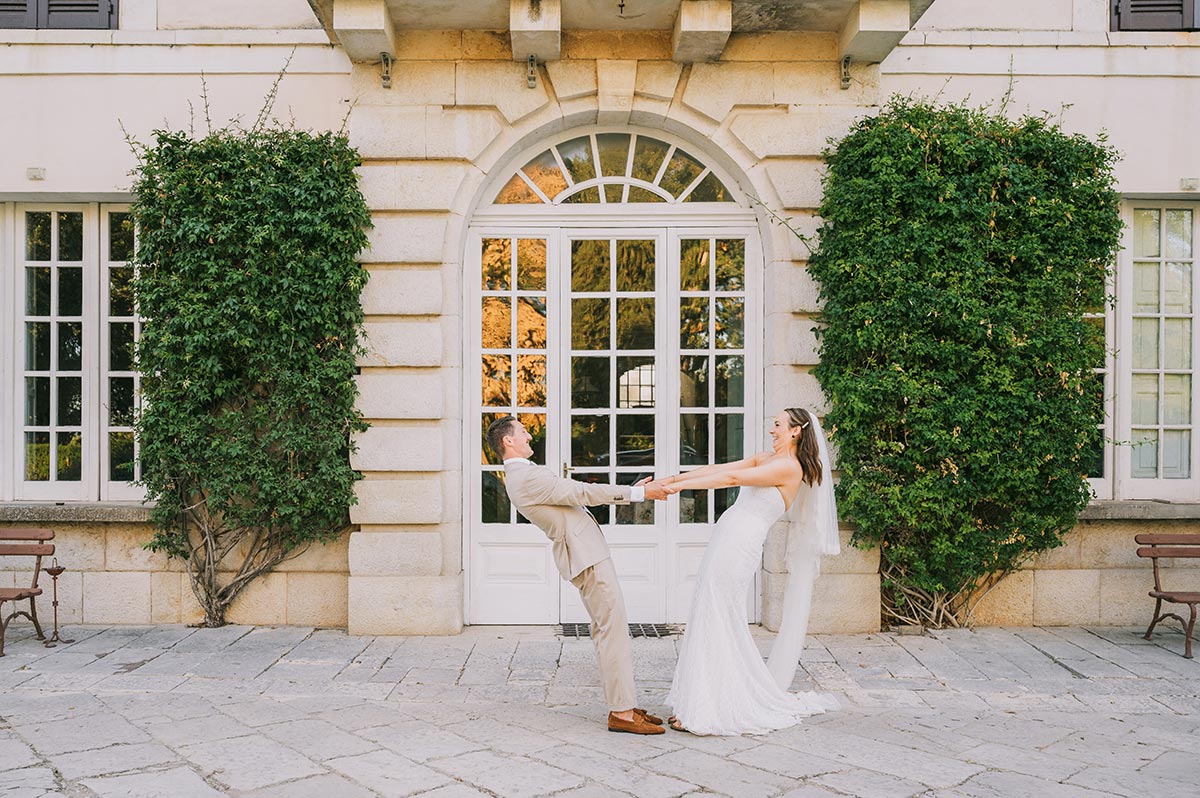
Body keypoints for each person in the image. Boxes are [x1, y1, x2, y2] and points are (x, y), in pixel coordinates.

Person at [651, 407, 841, 735]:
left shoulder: (788, 467)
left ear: (796, 431)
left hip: (741, 543)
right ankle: (697, 699)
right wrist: (672, 479)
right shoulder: (766, 458)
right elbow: (721, 468)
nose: (772, 429)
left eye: (778, 425)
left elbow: (732, 479)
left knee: (720, 614)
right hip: (728, 534)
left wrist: (679, 490)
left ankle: (713, 705)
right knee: (707, 610)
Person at [485, 415, 669, 735]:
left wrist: (632, 490)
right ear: (508, 441)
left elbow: (573, 499)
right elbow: (581, 492)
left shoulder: (524, 475)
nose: (529, 436)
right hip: (587, 558)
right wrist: (639, 494)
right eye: (524, 432)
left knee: (608, 630)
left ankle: (623, 703)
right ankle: (622, 712)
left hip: (587, 555)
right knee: (612, 630)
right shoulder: (524, 478)